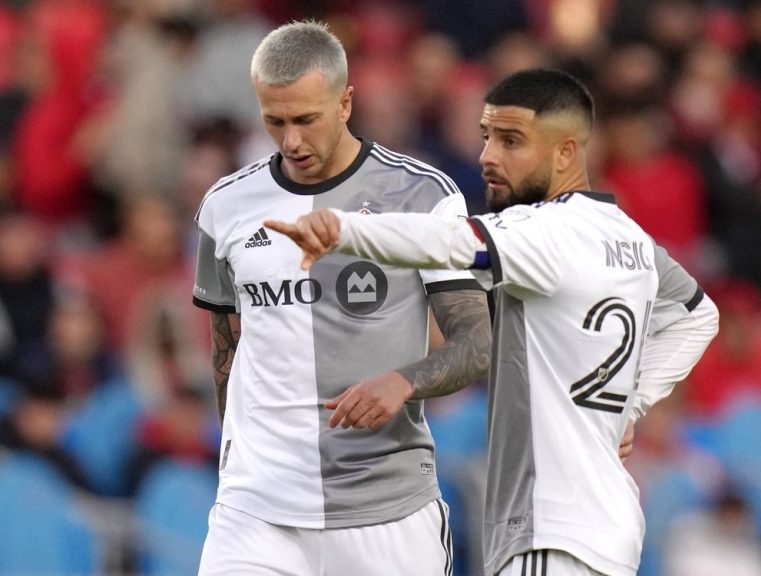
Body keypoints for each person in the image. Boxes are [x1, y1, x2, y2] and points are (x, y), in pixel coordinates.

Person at [265, 68, 720, 576]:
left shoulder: (544, 232)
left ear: (566, 152)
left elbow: (451, 241)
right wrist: (630, 407)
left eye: (511, 141)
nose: (487, 157)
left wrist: (342, 228)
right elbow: (698, 315)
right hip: (607, 529)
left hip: (550, 532)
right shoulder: (629, 238)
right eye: (486, 138)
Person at [191, 20, 492, 576]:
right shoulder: (226, 206)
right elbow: (226, 351)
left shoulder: (423, 195)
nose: (292, 141)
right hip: (257, 511)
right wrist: (235, 469)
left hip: (386, 510)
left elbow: (477, 341)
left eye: (307, 119)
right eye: (275, 121)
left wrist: (403, 383)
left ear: (346, 102)